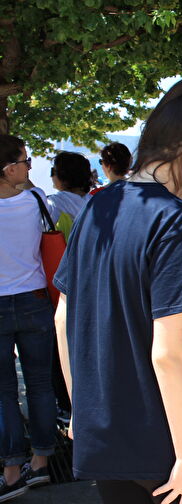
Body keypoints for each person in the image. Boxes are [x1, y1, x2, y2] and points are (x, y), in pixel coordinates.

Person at [53, 78, 182, 504]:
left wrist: (80, 409)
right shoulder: (176, 220)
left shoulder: (98, 204)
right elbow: (169, 352)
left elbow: (63, 314)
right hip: (164, 444)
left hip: (102, 432)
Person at [0, 135, 57, 502]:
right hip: (36, 300)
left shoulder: (35, 196)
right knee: (39, 384)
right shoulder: (38, 199)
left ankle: (9, 471)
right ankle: (39, 462)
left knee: (3, 391)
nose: (30, 166)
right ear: (9, 168)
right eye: (25, 160)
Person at [47, 152, 94, 240]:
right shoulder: (93, 201)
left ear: (63, 176)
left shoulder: (55, 202)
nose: (51, 176)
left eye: (53, 171)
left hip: (66, 252)